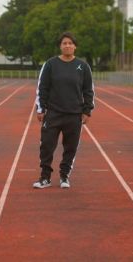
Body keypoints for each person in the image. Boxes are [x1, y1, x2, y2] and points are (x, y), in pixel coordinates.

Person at [33, 32, 95, 189]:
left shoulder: (83, 66)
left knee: (71, 147)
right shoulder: (50, 64)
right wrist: (40, 109)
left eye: (70, 43)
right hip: (53, 113)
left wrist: (87, 111)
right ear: (60, 46)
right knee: (46, 145)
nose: (67, 46)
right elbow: (42, 87)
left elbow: (88, 90)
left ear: (75, 46)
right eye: (64, 43)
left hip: (74, 115)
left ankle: (64, 176)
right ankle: (45, 177)